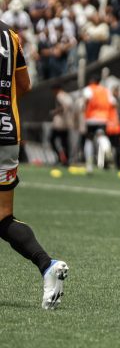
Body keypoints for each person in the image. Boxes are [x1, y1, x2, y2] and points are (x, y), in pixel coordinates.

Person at [0, 20, 69, 309]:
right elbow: (24, 85)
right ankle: (47, 265)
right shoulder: (9, 34)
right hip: (7, 130)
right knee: (3, 218)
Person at [82, 74, 115, 172]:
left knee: (89, 139)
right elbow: (114, 103)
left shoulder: (89, 89)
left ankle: (89, 163)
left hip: (91, 118)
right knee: (101, 136)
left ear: (92, 81)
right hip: (103, 119)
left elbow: (86, 99)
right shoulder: (106, 91)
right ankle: (106, 147)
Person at [50, 84, 75, 165]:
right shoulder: (67, 96)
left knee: (52, 139)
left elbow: (63, 107)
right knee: (65, 142)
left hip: (59, 122)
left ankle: (60, 157)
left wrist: (54, 112)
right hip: (66, 122)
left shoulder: (59, 96)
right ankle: (66, 159)